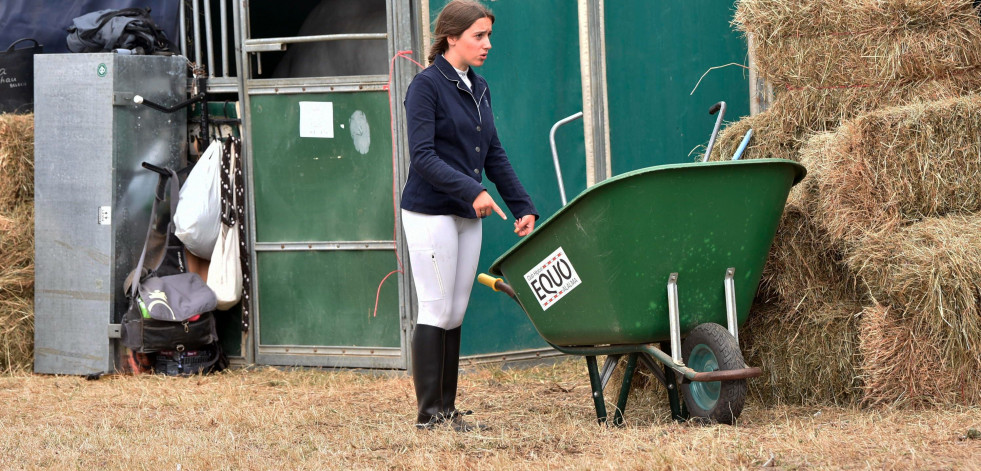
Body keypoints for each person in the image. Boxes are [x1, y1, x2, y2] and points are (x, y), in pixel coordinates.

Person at [401, 0, 537, 432]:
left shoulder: (479, 87)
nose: (488, 44)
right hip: (428, 211)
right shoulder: (425, 86)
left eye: (488, 35)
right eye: (479, 36)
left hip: (467, 212)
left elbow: (494, 153)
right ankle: (428, 416)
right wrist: (472, 190)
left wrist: (522, 205)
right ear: (451, 38)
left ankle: (447, 409)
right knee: (436, 308)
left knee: (456, 311)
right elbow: (422, 157)